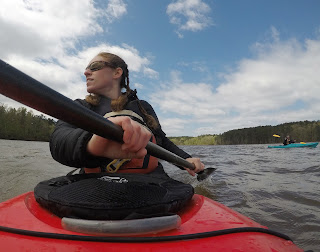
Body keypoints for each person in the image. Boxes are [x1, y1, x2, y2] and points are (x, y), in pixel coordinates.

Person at [50, 52, 204, 176]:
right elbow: (58, 140)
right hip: (93, 184)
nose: (86, 72)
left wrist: (186, 159)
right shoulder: (81, 107)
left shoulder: (141, 107)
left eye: (94, 66)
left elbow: (161, 142)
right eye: (86, 68)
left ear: (117, 72)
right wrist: (92, 144)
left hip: (148, 184)